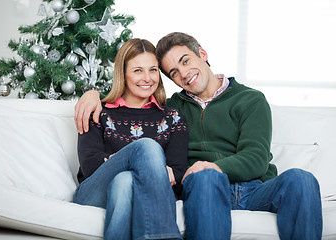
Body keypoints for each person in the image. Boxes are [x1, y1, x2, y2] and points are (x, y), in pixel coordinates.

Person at [74, 32, 323, 240]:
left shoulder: (250, 100)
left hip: (253, 190)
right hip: (203, 185)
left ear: (202, 54)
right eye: (173, 72)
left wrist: (212, 165)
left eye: (185, 61)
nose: (183, 73)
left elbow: (256, 158)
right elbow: (131, 100)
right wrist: (92, 94)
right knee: (204, 177)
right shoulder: (173, 107)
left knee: (302, 179)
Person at [74, 38, 188, 240]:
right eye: (137, 70)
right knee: (145, 146)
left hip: (123, 186)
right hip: (93, 192)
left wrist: (119, 163)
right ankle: (163, 235)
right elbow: (91, 165)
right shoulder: (98, 111)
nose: (147, 78)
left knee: (125, 180)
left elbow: (178, 176)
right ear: (123, 74)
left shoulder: (173, 118)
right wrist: (148, 165)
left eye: (153, 70)